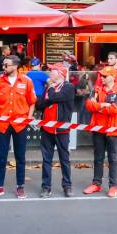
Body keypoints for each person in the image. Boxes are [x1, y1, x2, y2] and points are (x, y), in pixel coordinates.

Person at [0, 55, 37, 199]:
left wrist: (29, 117)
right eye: (3, 65)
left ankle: (20, 186)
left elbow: (32, 101)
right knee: (0, 157)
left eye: (6, 65)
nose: (3, 67)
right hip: (2, 125)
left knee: (20, 157)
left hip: (20, 124)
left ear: (15, 66)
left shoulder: (27, 81)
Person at [84, 66, 117, 198]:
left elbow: (115, 109)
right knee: (98, 157)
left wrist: (98, 107)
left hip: (113, 128)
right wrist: (102, 105)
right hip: (98, 127)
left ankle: (113, 186)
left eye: (104, 76)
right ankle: (96, 184)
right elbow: (89, 106)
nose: (101, 78)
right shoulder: (96, 89)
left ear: (112, 77)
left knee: (113, 158)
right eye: (100, 75)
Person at [37, 63, 74, 198]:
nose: (50, 72)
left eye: (52, 70)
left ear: (60, 73)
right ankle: (46, 187)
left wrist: (51, 94)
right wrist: (50, 97)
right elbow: (39, 104)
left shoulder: (68, 87)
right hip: (47, 129)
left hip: (62, 130)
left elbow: (54, 98)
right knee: (46, 159)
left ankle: (67, 186)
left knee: (64, 159)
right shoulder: (49, 88)